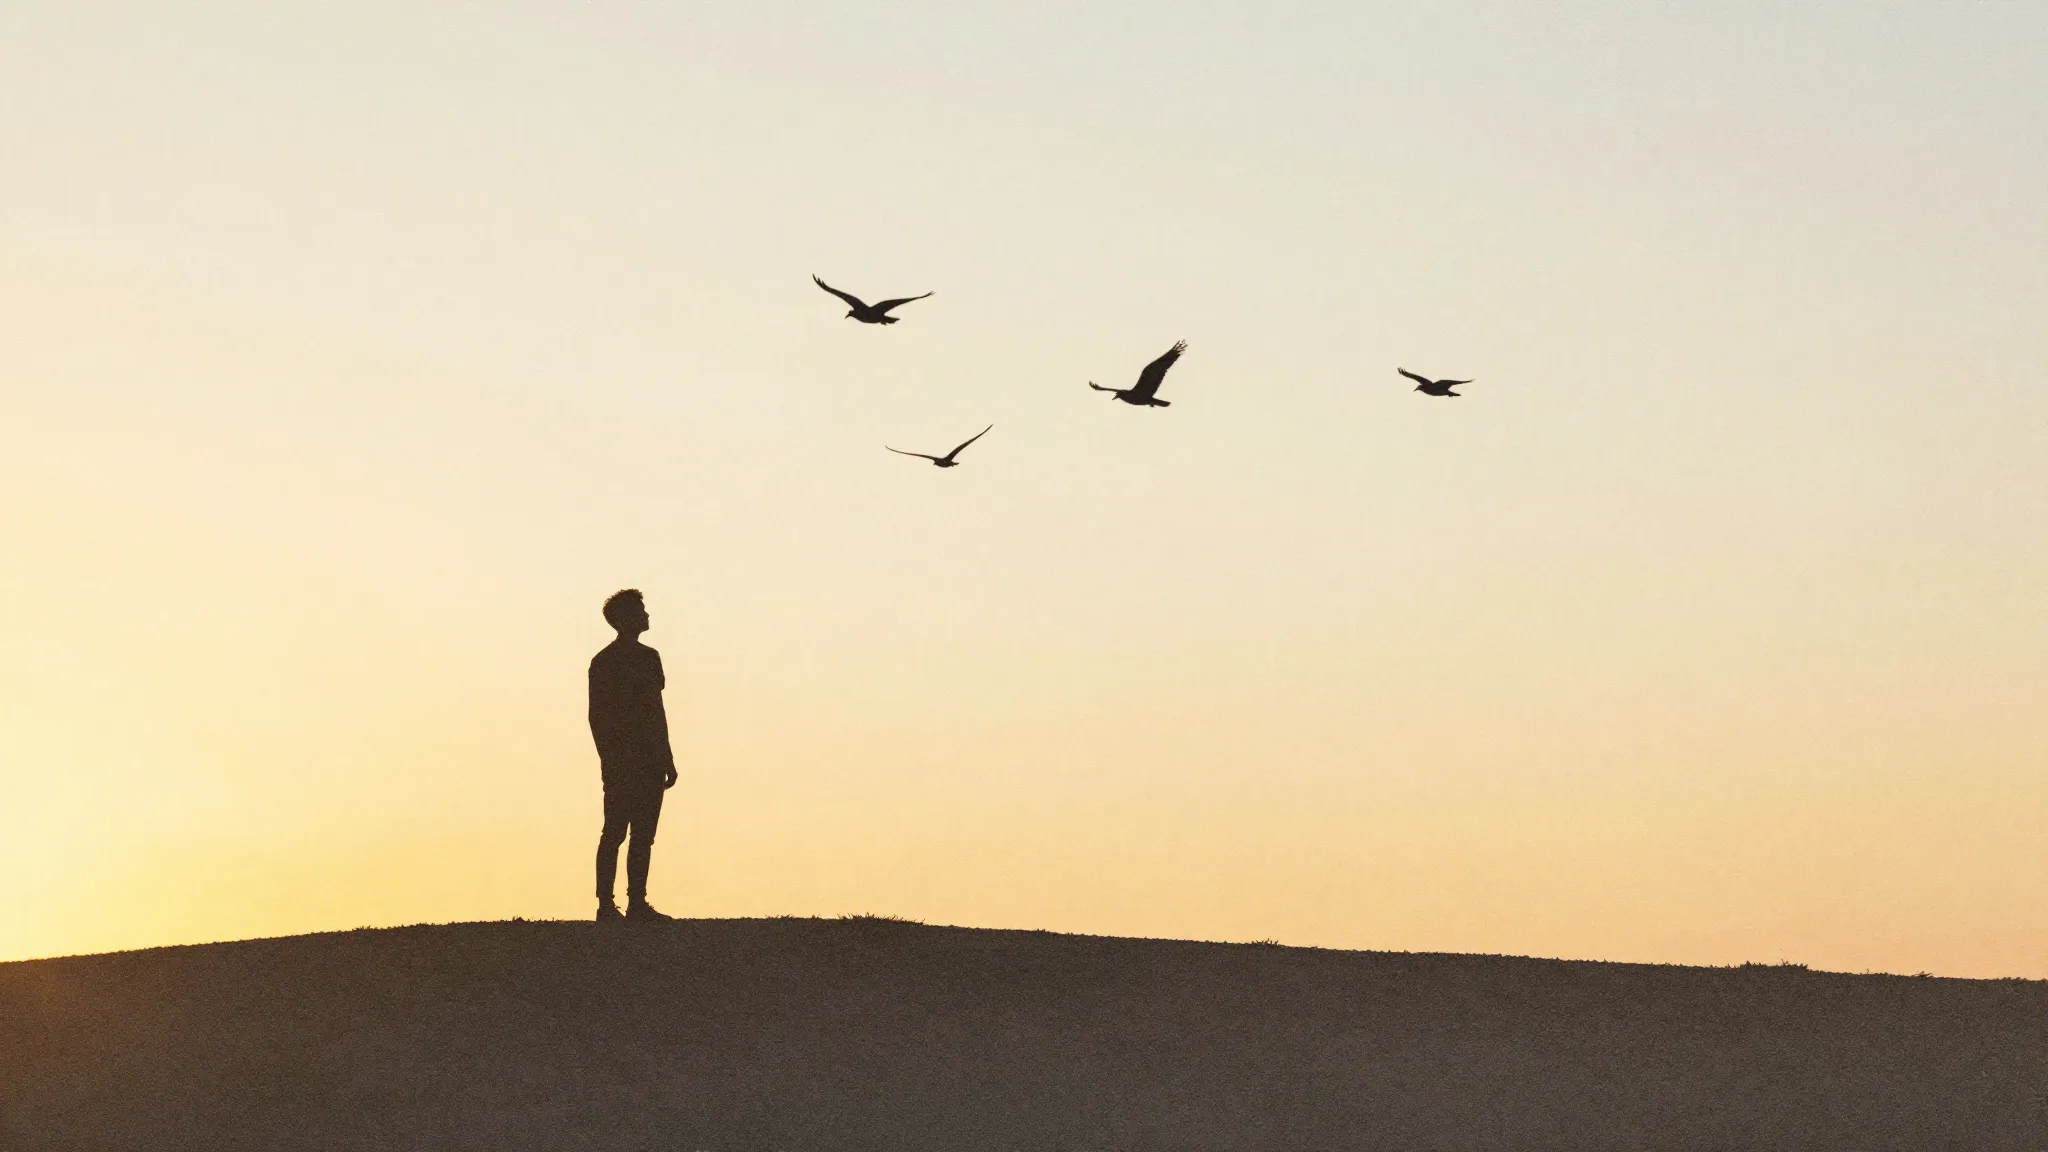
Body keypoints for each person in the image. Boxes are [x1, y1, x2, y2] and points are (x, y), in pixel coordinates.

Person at [588, 588, 678, 922]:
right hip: (626, 760)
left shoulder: (645, 658)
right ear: (627, 619)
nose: (647, 615)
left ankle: (634, 903)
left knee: (640, 834)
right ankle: (608, 904)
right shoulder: (606, 662)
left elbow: (655, 711)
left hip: (646, 759)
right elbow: (599, 717)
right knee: (617, 832)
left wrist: (666, 757)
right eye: (640, 611)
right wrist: (610, 759)